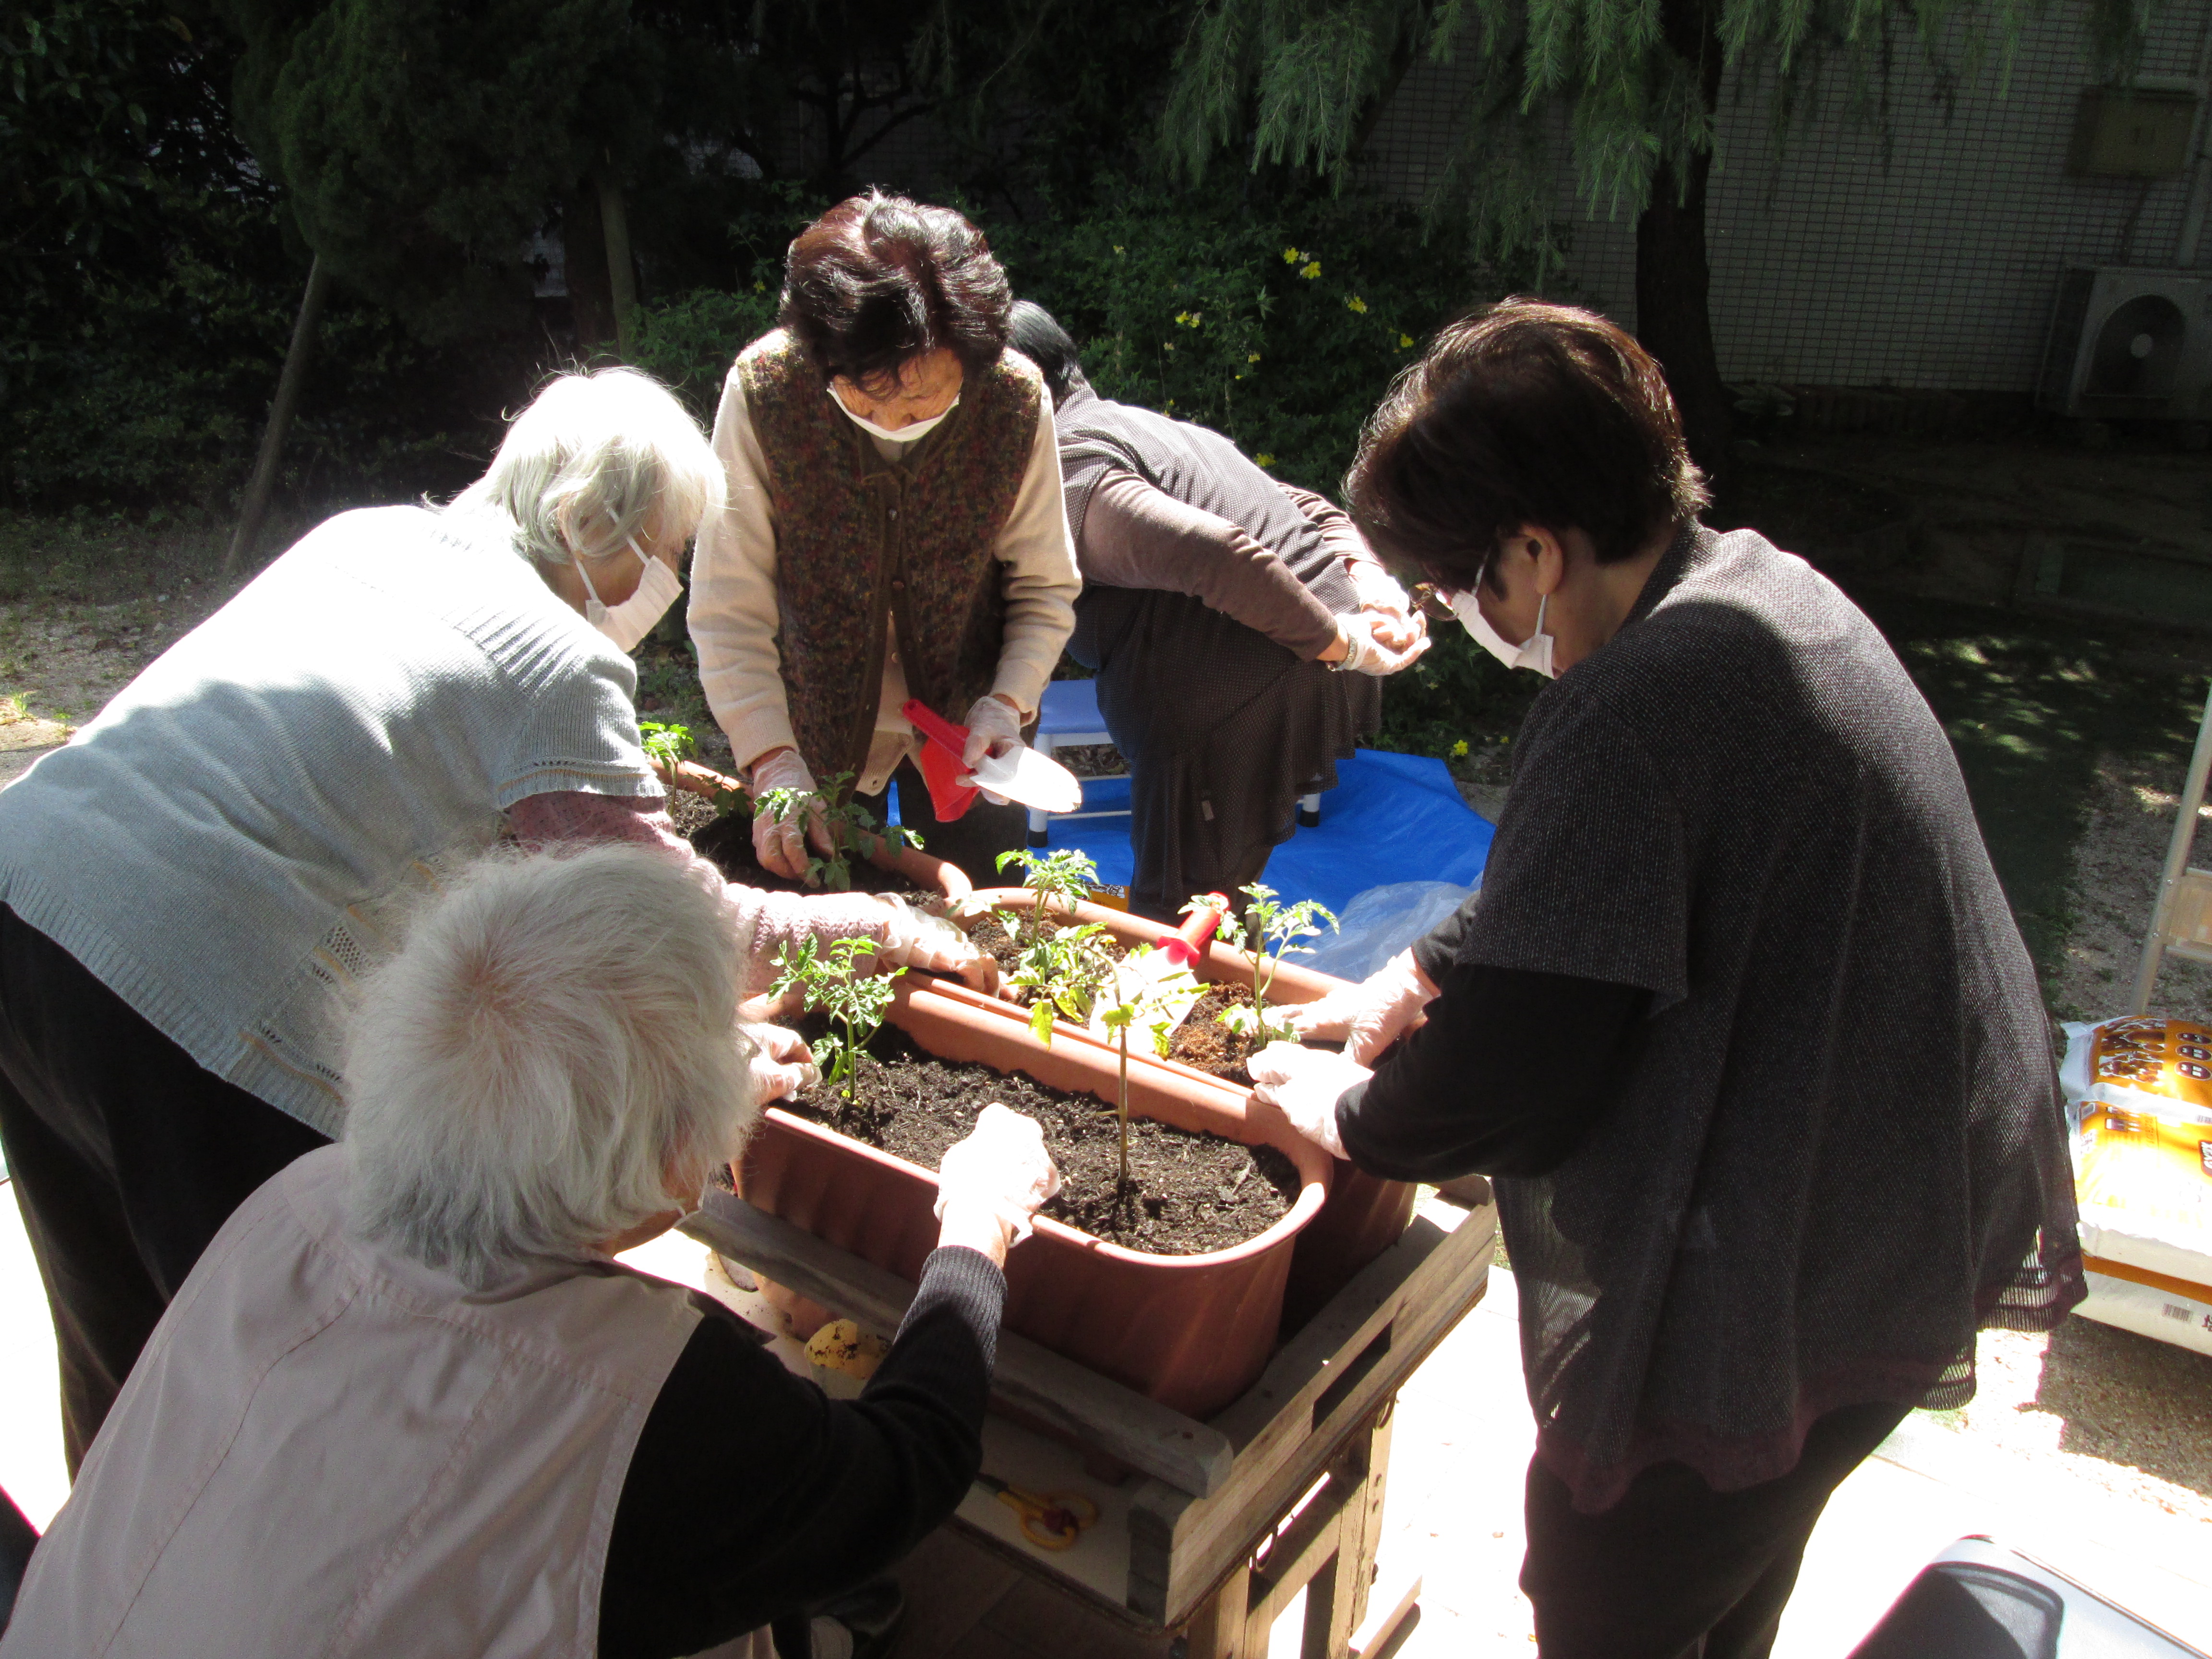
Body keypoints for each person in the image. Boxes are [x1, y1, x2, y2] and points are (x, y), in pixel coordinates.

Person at [1245, 300, 2084, 1659]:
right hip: (1918, 1177)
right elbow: (1620, 888)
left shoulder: (1642, 701)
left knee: (1613, 1580)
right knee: (1731, 1560)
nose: (1464, 620)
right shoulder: (1748, 586)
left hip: (1824, 1232)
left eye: (1463, 590)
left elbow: (1525, 1073)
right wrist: (1421, 968)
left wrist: (1342, 1113)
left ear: (1534, 550)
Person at [0, 365, 990, 1470]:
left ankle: (98, 1590)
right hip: (187, 979)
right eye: (656, 552)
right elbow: (680, 928)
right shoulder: (549, 654)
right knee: (273, 1370)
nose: (659, 585)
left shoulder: (365, 536)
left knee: (114, 1332)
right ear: (577, 518)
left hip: (31, 887)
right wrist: (886, 927)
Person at [1, 844, 1062, 1659]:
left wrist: (666, 1120)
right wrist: (978, 1221)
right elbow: (903, 1474)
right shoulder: (657, 1396)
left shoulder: (300, 1197)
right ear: (680, 1166)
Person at [689, 191, 1082, 889]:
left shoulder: (1013, 400)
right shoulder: (768, 390)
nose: (895, 418)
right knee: (828, 949)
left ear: (972, 358)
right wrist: (772, 758)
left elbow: (1044, 584)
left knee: (982, 926)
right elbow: (729, 607)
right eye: (865, 402)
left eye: (923, 400)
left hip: (972, 743)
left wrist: (1007, 700)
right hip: (813, 738)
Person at [1004, 302, 1429, 922]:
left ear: (1018, 381)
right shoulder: (1135, 425)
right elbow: (1307, 505)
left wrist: (1337, 641)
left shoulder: (1070, 464)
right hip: (1258, 679)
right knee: (1218, 897)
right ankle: (1225, 992)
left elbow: (1213, 551)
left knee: (1178, 909)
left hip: (1230, 700)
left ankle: (1192, 1012)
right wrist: (1365, 576)